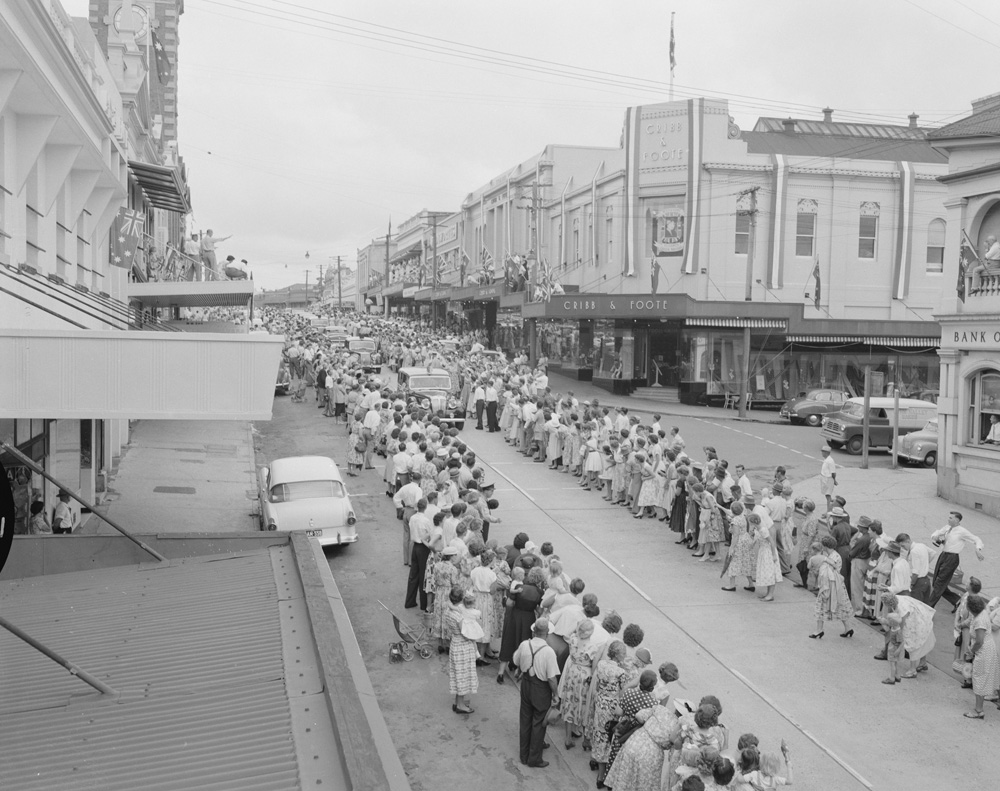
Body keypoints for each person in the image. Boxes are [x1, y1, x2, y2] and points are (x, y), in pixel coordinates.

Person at [512, 618, 560, 768]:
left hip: (526, 685)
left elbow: (516, 660)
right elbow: (552, 679)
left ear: (534, 631)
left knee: (525, 719)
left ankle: (524, 754)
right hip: (541, 689)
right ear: (547, 633)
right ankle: (534, 758)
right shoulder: (549, 652)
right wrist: (556, 695)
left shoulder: (525, 644)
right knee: (539, 722)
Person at [928, 512, 984, 608]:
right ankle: (957, 601)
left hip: (951, 558)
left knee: (939, 583)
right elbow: (937, 533)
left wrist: (978, 550)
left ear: (957, 520)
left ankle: (928, 607)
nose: (948, 519)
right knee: (936, 583)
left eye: (950, 518)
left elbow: (976, 539)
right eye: (948, 517)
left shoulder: (962, 531)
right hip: (943, 555)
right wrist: (935, 536)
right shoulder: (947, 528)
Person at [443, 586, 480, 715]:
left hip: (455, 643)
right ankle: (460, 704)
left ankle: (459, 701)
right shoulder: (459, 616)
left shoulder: (449, 611)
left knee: (458, 673)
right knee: (462, 675)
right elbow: (466, 633)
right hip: (463, 646)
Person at [808, 536, 854, 639]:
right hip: (837, 585)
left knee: (820, 607)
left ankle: (819, 630)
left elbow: (825, 573)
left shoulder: (830, 557)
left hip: (829, 585)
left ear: (825, 546)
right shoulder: (834, 555)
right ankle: (848, 628)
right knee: (841, 606)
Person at [963, 594, 1000, 719]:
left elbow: (979, 641)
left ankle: (978, 710)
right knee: (982, 679)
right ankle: (979, 707)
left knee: (979, 679)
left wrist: (971, 651)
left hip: (983, 652)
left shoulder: (979, 620)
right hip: (987, 650)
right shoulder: (982, 613)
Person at [819, 446, 837, 512]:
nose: (822, 453)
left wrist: (834, 480)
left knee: (828, 496)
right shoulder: (826, 460)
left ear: (826, 452)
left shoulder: (830, 461)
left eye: (823, 452)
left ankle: (829, 511)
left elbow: (833, 473)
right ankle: (831, 507)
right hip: (825, 479)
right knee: (827, 496)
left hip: (828, 480)